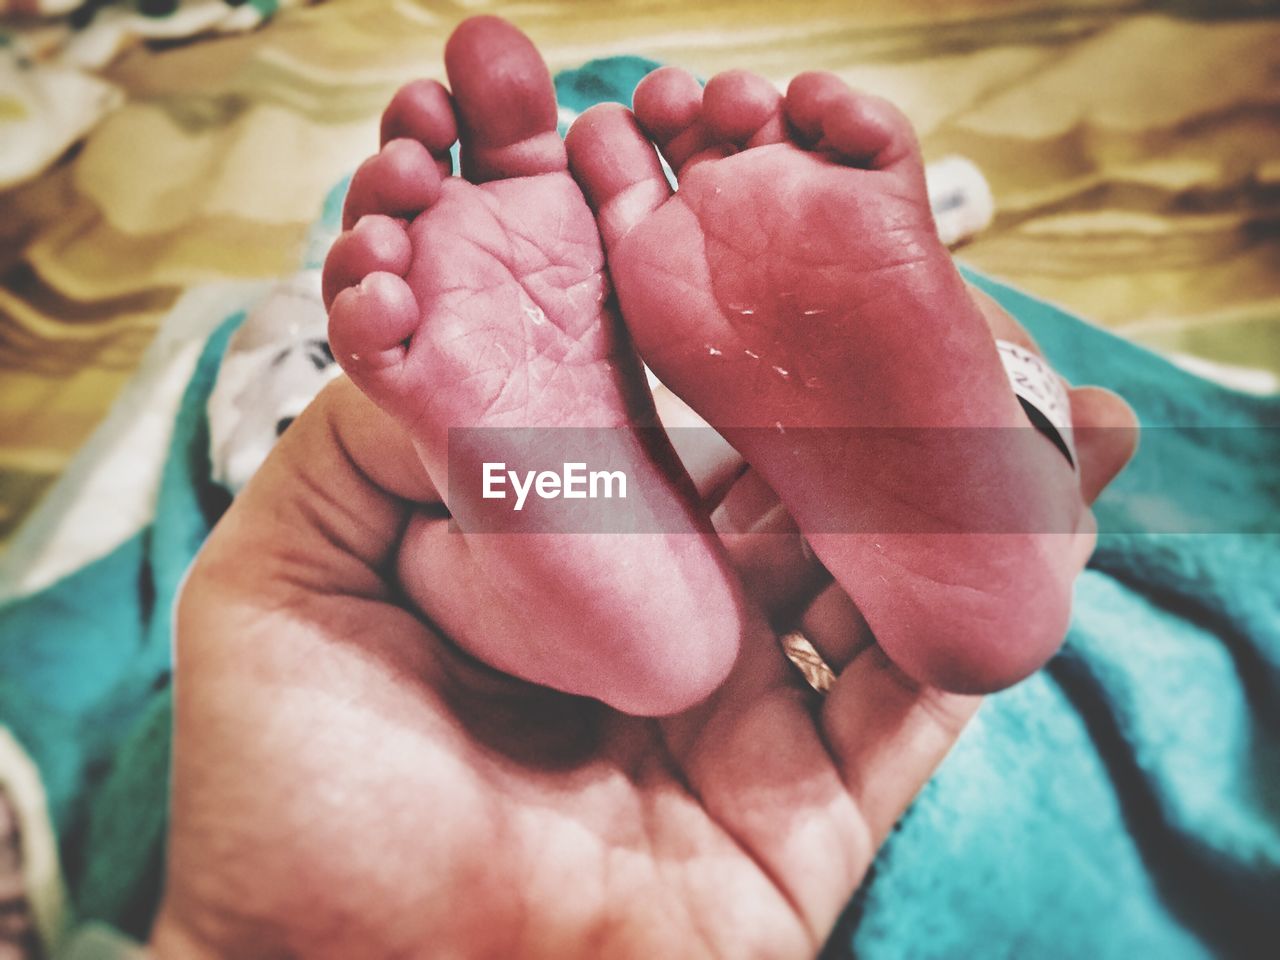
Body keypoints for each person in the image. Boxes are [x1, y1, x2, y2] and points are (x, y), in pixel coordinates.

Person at [152, 16, 1137, 958]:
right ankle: (1010, 453)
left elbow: (291, 356)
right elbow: (925, 221)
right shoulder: (685, 228)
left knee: (405, 520)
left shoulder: (416, 258)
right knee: (981, 345)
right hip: (722, 432)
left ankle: (607, 585)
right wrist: (929, 220)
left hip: (494, 465)